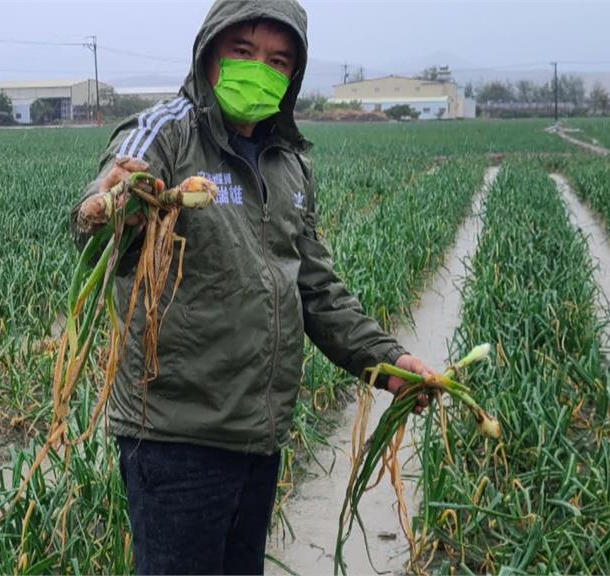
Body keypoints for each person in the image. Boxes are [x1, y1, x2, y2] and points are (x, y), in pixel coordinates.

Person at [71, 0, 435, 573]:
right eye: (243, 52)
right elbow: (115, 185)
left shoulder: (287, 162)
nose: (258, 68)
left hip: (257, 435)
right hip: (176, 440)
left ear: (293, 74)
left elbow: (315, 287)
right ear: (211, 51)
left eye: (277, 60)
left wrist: (386, 361)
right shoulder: (168, 132)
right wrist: (115, 201)